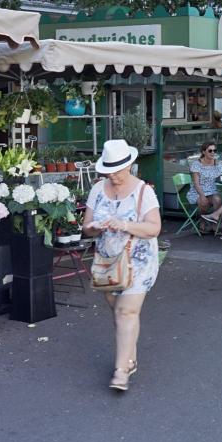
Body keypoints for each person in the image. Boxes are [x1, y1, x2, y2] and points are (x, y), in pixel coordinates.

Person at [82, 140, 160, 391]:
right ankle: (130, 356)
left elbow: (154, 228)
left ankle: (121, 370)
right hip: (108, 262)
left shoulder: (143, 192)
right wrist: (93, 229)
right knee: (119, 313)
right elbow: (86, 227)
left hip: (139, 261)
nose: (112, 175)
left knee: (126, 312)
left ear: (129, 165)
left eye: (117, 170)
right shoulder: (97, 190)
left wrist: (124, 225)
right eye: (108, 171)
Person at [185, 142, 222, 228]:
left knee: (218, 199)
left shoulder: (217, 163)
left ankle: (214, 224)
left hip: (212, 191)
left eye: (214, 150)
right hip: (197, 191)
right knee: (203, 202)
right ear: (203, 152)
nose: (213, 152)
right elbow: (196, 183)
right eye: (210, 150)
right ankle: (202, 222)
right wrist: (202, 195)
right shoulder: (197, 164)